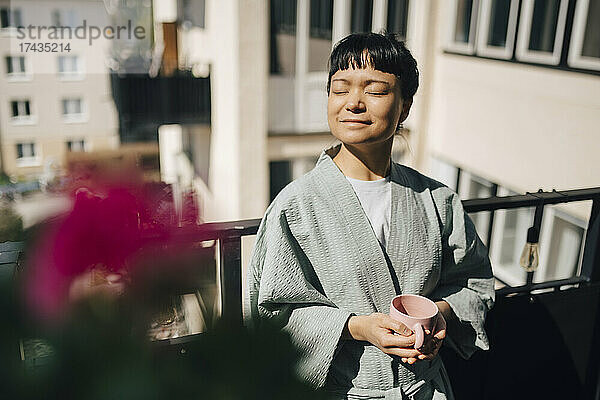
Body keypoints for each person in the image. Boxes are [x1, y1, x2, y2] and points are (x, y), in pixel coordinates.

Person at [246, 32, 495, 400]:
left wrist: (441, 313)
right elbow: (268, 317)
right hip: (341, 391)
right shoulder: (294, 206)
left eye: (375, 90)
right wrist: (356, 327)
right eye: (340, 88)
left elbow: (475, 284)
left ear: (404, 107)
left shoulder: (438, 199)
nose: (353, 104)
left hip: (424, 389)